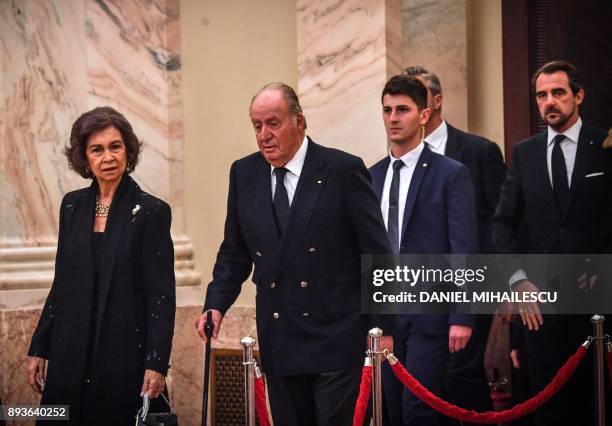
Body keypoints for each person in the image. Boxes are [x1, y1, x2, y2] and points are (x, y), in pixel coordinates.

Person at [195, 83, 390, 426]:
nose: (264, 135)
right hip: (280, 338)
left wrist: (382, 327)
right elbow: (234, 252)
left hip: (337, 336)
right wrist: (216, 303)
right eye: (257, 126)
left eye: (273, 123)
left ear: (300, 121)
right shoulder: (244, 173)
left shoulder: (341, 170)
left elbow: (376, 254)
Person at [27, 107, 176, 425]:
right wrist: (39, 346)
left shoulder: (151, 212)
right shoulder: (72, 206)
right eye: (97, 149)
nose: (108, 156)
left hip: (123, 354)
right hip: (70, 350)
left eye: (115, 146)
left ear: (128, 150)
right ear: (84, 157)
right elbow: (62, 284)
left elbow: (161, 298)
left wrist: (156, 363)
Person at [491, 60, 612, 426]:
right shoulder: (525, 153)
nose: (549, 102)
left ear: (578, 96)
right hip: (539, 309)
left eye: (558, 93)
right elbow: (501, 223)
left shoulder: (604, 147)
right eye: (542, 95)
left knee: (595, 404)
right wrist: (518, 281)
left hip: (597, 304)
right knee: (546, 407)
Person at [369, 75, 478, 426]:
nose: (393, 118)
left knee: (422, 410)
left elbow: (464, 249)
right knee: (390, 410)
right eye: (387, 110)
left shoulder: (451, 174)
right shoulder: (370, 176)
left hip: (431, 314)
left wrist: (463, 316)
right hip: (383, 318)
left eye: (403, 109)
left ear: (424, 115)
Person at [404, 66, 506, 421]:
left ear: (436, 101)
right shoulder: (398, 161)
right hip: (418, 295)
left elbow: (500, 222)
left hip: (470, 288)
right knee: (421, 386)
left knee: (460, 374)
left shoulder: (479, 152)